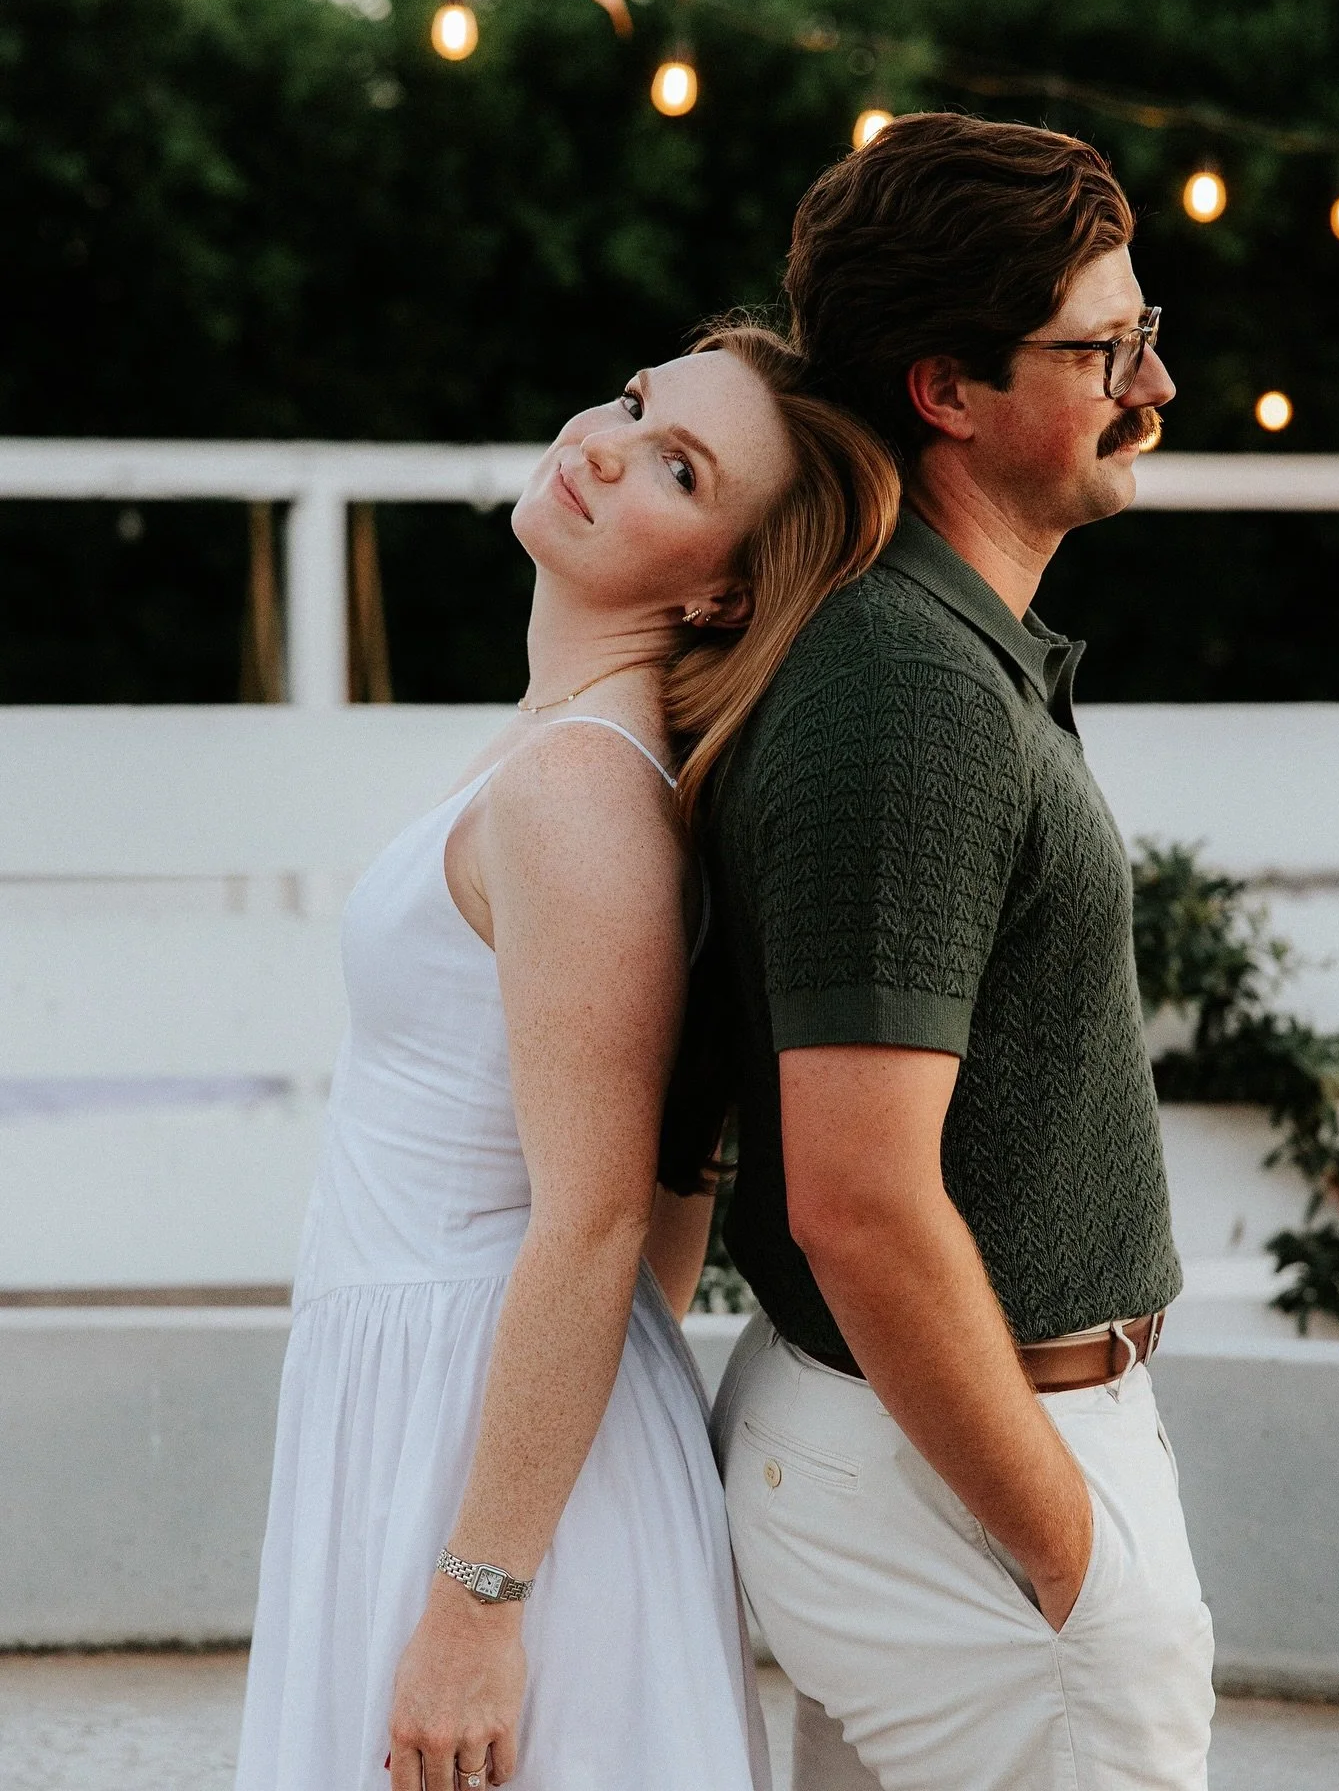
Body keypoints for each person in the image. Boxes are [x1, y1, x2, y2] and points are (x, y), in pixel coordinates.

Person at [233, 327, 898, 1791]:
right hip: (449, 1419)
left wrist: (481, 1602)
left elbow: (600, 1216)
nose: (602, 439)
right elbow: (661, 1195)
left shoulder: (584, 797)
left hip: (480, 1456)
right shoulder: (561, 756)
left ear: (726, 585)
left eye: (675, 466)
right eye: (637, 401)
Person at [708, 113, 1215, 1791]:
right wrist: (1073, 1558)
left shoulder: (932, 651)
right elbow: (856, 1199)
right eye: (1103, 348)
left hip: (934, 1463)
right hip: (962, 1485)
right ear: (949, 391)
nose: (1151, 385)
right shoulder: (905, 691)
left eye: (1146, 336)